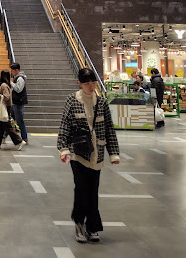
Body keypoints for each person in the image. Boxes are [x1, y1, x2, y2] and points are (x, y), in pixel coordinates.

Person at [57, 68, 120, 244]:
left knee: (93, 191)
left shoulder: (102, 102)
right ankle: (79, 223)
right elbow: (65, 126)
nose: (91, 86)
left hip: (97, 155)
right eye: (87, 83)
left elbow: (109, 129)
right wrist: (63, 149)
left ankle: (92, 227)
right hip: (78, 154)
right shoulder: (72, 100)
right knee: (82, 189)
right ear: (79, 83)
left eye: (93, 82)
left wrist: (114, 153)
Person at [0, 70, 27, 150]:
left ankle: (19, 141)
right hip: (7, 107)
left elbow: (6, 97)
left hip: (5, 107)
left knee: (7, 126)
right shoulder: (7, 85)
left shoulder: (3, 85)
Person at [10, 63, 29, 144]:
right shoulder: (17, 78)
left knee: (19, 121)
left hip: (18, 102)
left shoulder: (20, 78)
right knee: (10, 119)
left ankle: (25, 138)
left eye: (12, 70)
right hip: (16, 102)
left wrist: (11, 83)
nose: (11, 72)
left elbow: (18, 89)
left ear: (17, 70)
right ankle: (4, 136)